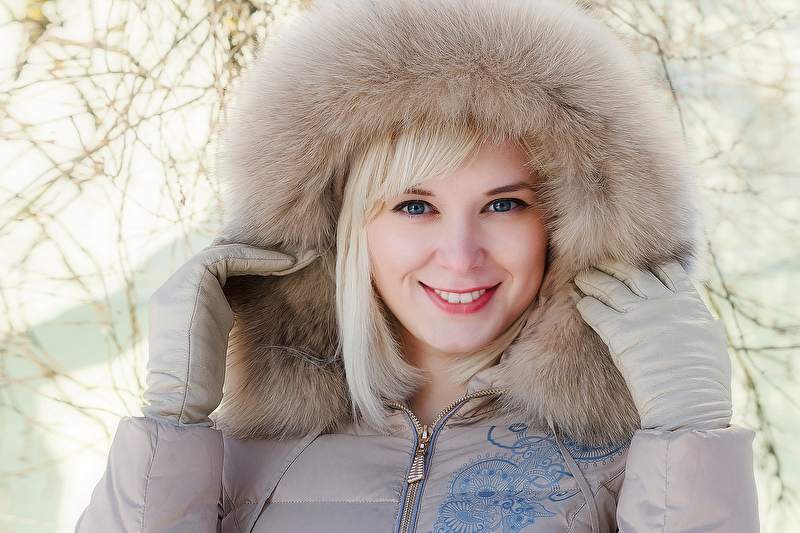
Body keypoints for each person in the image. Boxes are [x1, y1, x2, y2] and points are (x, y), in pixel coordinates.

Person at [76, 0, 760, 531]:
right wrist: (171, 423)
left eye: (503, 204)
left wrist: (688, 438)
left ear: (563, 224)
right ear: (346, 230)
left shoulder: (630, 464)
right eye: (414, 206)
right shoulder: (231, 459)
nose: (460, 255)